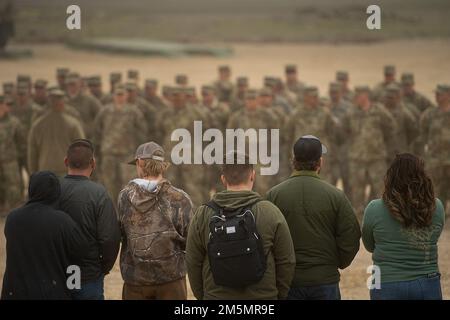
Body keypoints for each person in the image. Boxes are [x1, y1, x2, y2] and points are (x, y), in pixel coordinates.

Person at [186, 151, 295, 300]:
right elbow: (287, 261)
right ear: (252, 176)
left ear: (223, 179)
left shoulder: (202, 214)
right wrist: (276, 295)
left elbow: (192, 262)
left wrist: (205, 296)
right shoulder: (270, 212)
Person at [266, 135, 361, 300]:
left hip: (288, 281)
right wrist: (336, 263)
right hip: (325, 280)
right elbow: (351, 237)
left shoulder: (274, 195)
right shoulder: (336, 196)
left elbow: (264, 238)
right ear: (320, 162)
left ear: (293, 160)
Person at [362, 153, 445, 300]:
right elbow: (434, 237)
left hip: (384, 282)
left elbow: (369, 246)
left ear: (391, 178)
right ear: (422, 177)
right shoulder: (436, 207)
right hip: (427, 282)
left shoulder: (374, 208)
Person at [118, 142, 193, 300]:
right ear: (163, 165)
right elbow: (191, 240)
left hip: (136, 280)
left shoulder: (125, 197)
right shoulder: (181, 199)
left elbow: (122, 233)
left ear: (139, 163)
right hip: (171, 281)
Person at [1, 171, 87, 300]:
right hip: (53, 293)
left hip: (16, 293)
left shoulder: (12, 219)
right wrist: (74, 287)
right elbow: (80, 254)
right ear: (56, 193)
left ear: (32, 189)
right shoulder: (63, 221)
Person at [58, 139, 121, 300]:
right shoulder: (99, 194)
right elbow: (109, 239)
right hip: (89, 276)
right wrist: (102, 269)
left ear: (66, 161)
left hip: (55, 274)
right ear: (93, 163)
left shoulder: (52, 189)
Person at [93, 84, 147, 202]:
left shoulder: (133, 111)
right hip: (109, 153)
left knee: (128, 184)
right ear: (113, 96)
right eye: (117, 95)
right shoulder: (105, 111)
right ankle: (110, 211)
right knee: (108, 184)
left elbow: (142, 131)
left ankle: (126, 210)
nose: (120, 97)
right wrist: (97, 150)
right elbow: (97, 130)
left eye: (122, 95)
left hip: (127, 153)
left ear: (126, 96)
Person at [28, 88, 85, 176]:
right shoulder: (73, 124)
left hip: (44, 171)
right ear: (63, 103)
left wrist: (33, 173)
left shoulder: (37, 125)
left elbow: (32, 153)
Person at [418, 84, 450, 214]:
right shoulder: (429, 114)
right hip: (435, 160)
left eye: (440, 94)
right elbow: (423, 135)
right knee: (435, 190)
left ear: (448, 95)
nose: (437, 96)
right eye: (436, 94)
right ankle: (438, 216)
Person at [0, 95, 25, 214]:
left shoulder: (14, 122)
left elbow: (21, 143)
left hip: (10, 163)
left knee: (14, 189)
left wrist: (20, 160)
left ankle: (15, 213)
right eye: (6, 104)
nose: (8, 107)